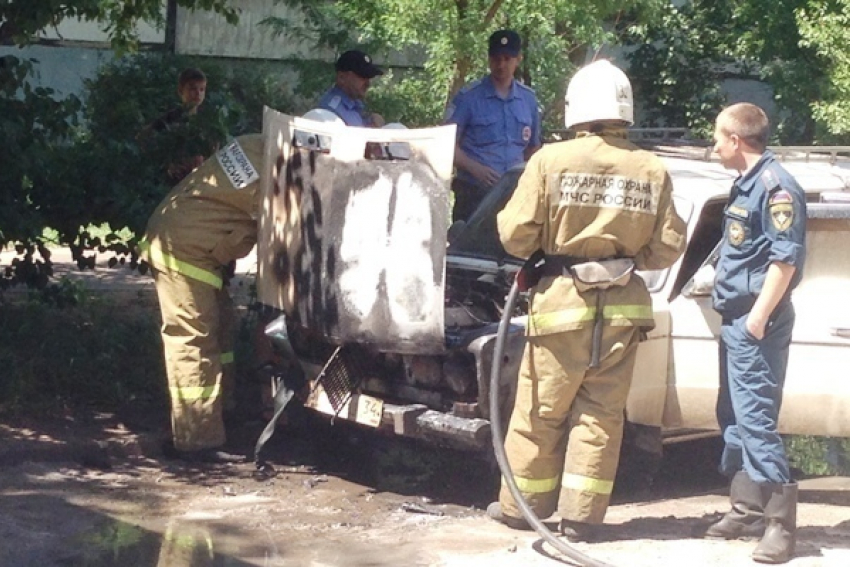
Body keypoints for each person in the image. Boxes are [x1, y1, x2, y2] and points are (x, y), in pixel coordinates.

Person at [488, 60, 687, 541]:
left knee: (542, 411)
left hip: (561, 309)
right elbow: (667, 247)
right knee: (600, 417)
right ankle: (581, 520)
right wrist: (625, 248)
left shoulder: (550, 162)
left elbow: (515, 236)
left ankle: (521, 507)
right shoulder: (651, 168)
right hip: (623, 313)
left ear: (575, 107)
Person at [705, 103, 806, 564]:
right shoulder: (745, 185)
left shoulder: (776, 188)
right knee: (734, 416)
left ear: (737, 141)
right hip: (736, 316)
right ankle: (746, 510)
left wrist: (758, 318)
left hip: (754, 320)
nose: (714, 145)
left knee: (756, 420)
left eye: (718, 138)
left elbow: (784, 261)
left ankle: (781, 529)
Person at [139, 133, 264, 463]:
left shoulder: (256, 145)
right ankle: (197, 441)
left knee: (221, 333)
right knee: (193, 340)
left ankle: (222, 413)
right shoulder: (277, 174)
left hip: (191, 244)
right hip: (183, 249)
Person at [444, 29, 541, 222]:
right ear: (489, 59)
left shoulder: (528, 99)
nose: (501, 64)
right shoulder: (469, 97)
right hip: (474, 192)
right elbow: (445, 145)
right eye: (496, 58)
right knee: (469, 250)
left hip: (514, 195)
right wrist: (475, 168)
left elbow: (534, 148)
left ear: (518, 59)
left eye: (507, 58)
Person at [139, 67, 212, 183]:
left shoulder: (208, 120)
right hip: (173, 180)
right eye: (192, 88)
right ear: (181, 91)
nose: (198, 93)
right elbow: (144, 137)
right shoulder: (170, 118)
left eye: (202, 89)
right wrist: (167, 163)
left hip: (200, 178)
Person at [318, 49, 385, 127]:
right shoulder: (331, 112)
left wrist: (372, 123)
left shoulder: (355, 103)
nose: (368, 83)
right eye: (362, 76)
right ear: (342, 77)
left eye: (369, 77)